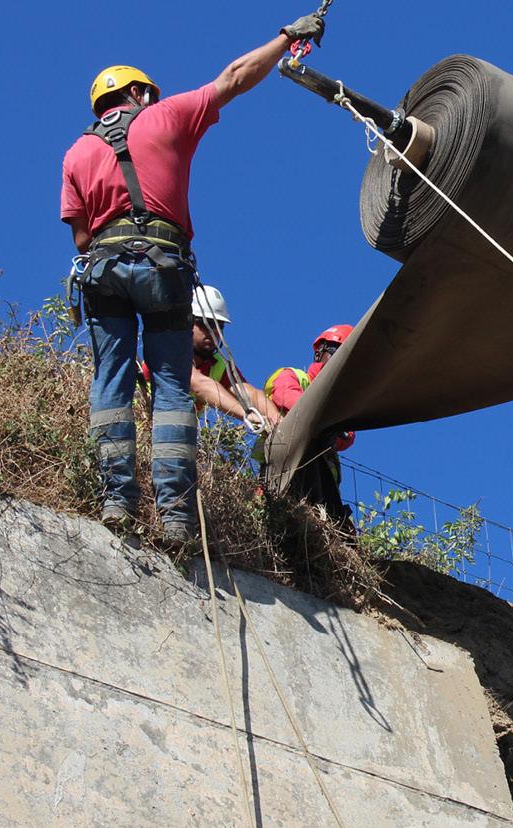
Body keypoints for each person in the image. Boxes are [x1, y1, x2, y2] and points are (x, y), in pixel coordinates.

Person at [60, 10, 325, 542]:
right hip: (163, 267)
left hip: (104, 272)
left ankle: (116, 498)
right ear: (139, 93)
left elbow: (82, 239)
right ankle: (177, 513)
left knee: (111, 378)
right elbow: (234, 78)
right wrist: (288, 37)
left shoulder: (77, 153)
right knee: (173, 384)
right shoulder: (166, 117)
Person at [139, 285, 281, 429]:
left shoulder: (217, 365)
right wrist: (246, 414)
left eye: (219, 325)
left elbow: (252, 395)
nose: (213, 331)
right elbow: (199, 385)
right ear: (187, 322)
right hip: (138, 428)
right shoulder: (169, 349)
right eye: (205, 323)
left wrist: (277, 421)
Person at [261, 325, 355, 521]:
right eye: (337, 354)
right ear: (320, 352)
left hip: (322, 501)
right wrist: (328, 420)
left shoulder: (340, 405)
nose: (341, 363)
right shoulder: (291, 376)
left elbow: (348, 437)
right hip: (283, 480)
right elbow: (288, 398)